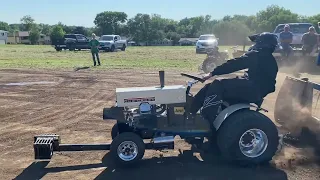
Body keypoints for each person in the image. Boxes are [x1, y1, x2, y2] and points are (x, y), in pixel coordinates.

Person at [190, 32, 279, 124]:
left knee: (217, 84)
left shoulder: (258, 55)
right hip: (255, 91)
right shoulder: (270, 60)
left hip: (253, 90)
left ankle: (206, 119)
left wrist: (212, 73)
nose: (254, 45)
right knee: (209, 87)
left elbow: (235, 64)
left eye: (256, 42)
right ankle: (190, 112)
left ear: (262, 43)